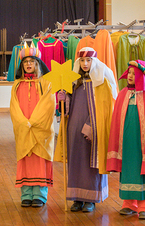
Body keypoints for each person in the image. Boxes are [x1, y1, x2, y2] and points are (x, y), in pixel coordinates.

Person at [55, 47, 117, 213]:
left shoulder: (101, 82)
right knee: (76, 161)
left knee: (92, 163)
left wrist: (91, 125)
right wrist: (63, 98)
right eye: (82, 60)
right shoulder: (75, 82)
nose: (85, 63)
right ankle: (77, 198)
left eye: (88, 60)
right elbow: (68, 105)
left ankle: (91, 199)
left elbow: (103, 107)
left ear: (93, 62)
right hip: (74, 127)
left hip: (93, 128)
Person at [106, 60, 145, 220]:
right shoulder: (123, 93)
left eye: (134, 73)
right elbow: (117, 120)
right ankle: (129, 203)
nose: (130, 76)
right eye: (129, 72)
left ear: (142, 76)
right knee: (129, 169)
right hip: (127, 142)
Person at [10, 47, 55, 207]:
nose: (28, 64)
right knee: (25, 159)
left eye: (32, 62)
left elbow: (48, 105)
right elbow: (13, 106)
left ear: (38, 64)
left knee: (39, 159)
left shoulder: (46, 83)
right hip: (23, 129)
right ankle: (26, 194)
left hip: (40, 130)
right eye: (25, 62)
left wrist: (33, 122)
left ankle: (40, 195)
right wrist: (23, 123)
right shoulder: (17, 84)